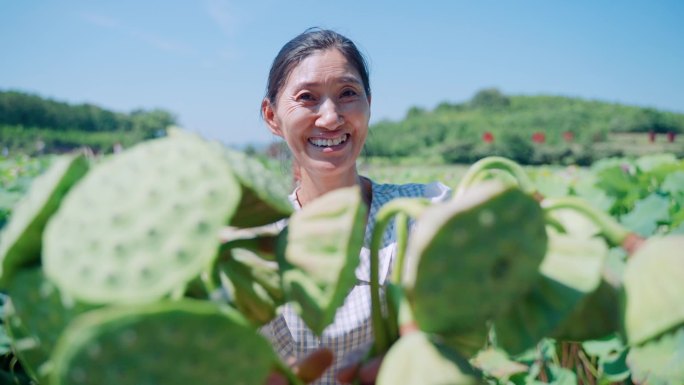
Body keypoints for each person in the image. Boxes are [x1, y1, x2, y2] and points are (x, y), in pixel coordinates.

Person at [260, 28, 451, 384]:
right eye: (307, 97)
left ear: (368, 104)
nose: (331, 118)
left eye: (348, 94)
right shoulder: (258, 243)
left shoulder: (423, 210)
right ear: (272, 116)